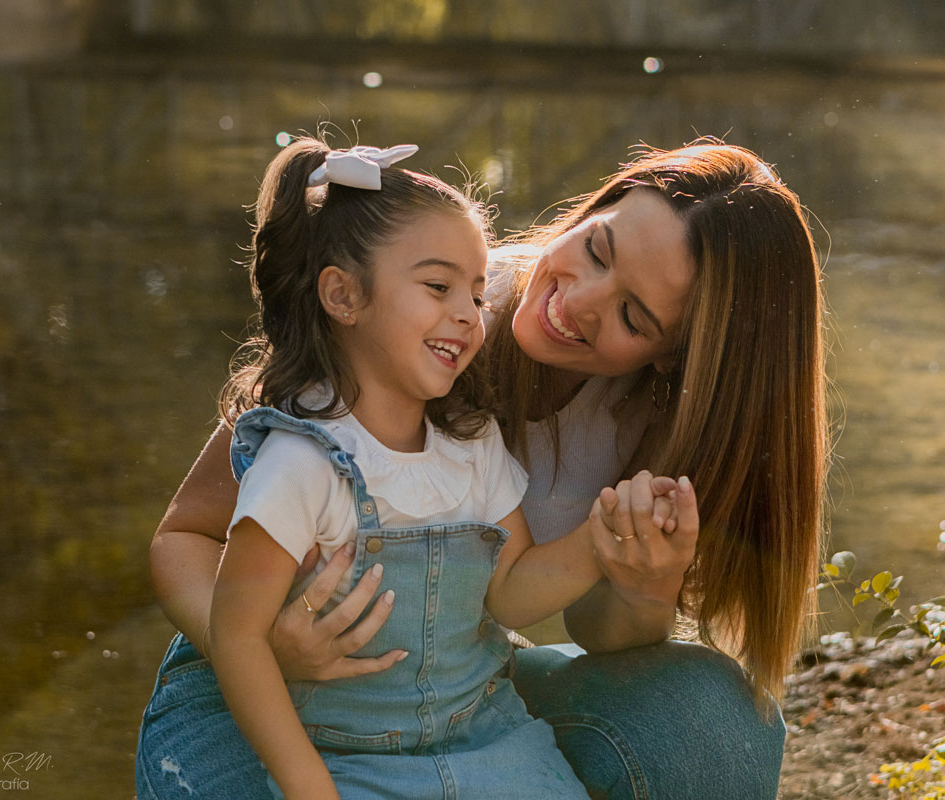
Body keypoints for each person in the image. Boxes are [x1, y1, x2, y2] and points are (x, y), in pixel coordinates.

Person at [137, 136, 827, 800]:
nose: (576, 301)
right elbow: (185, 536)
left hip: (455, 699)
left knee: (714, 717)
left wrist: (645, 583)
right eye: (595, 250)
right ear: (593, 209)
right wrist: (262, 649)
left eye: (633, 316)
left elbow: (567, 620)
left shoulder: (658, 420)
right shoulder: (420, 308)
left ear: (679, 355)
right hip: (256, 689)